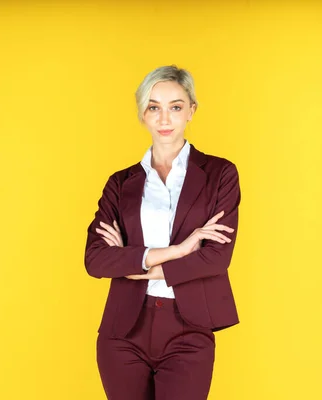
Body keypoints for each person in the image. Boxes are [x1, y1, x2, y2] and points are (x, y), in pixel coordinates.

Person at [84, 64, 241, 400]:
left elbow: (216, 257)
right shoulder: (121, 183)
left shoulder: (220, 174)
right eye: (154, 107)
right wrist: (179, 250)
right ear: (143, 114)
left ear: (191, 111)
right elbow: (96, 260)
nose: (164, 119)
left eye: (176, 107)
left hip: (189, 328)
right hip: (123, 332)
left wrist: (137, 266)